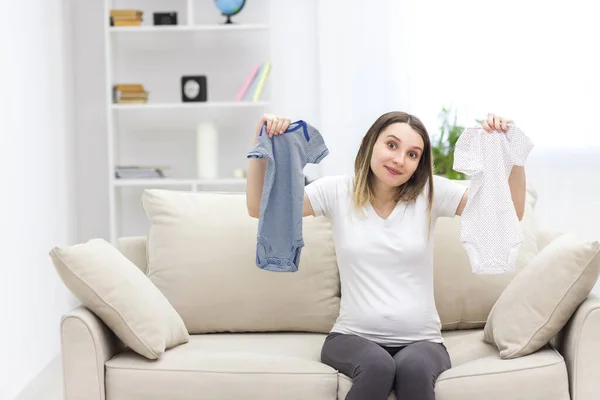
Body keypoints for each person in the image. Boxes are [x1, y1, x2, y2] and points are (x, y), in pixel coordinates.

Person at [246, 111, 526, 400]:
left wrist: (512, 151)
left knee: (414, 370)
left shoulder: (432, 191)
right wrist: (261, 142)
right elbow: (260, 208)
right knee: (378, 366)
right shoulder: (337, 191)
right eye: (391, 145)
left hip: (423, 342)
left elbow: (509, 214)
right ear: (370, 143)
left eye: (413, 154)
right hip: (350, 338)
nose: (399, 159)